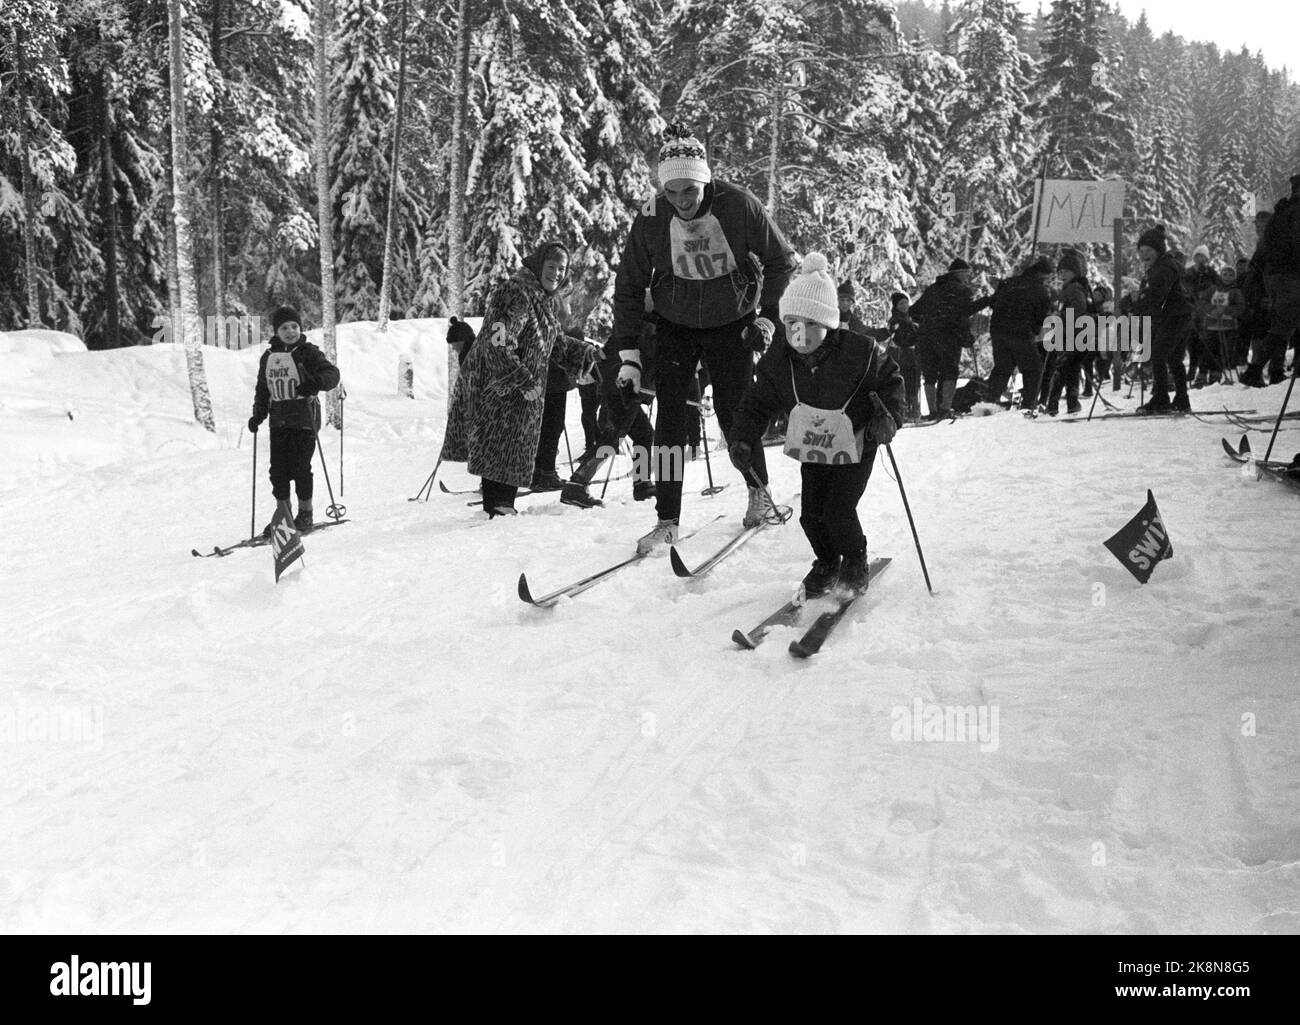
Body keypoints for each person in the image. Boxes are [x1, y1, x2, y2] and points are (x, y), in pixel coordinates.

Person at [611, 124, 796, 555]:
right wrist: (628, 353)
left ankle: (758, 493)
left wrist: (768, 318)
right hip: (675, 324)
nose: (682, 201)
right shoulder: (652, 216)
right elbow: (628, 285)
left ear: (705, 179)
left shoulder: (739, 205)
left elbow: (781, 261)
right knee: (672, 422)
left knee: (737, 415)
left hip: (732, 322)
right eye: (672, 192)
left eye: (690, 190)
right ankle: (667, 519)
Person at [728, 254, 905, 596]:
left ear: (828, 323)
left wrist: (890, 419)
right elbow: (755, 402)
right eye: (792, 322)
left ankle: (854, 559)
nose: (800, 332)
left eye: (810, 323)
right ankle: (826, 561)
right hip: (814, 447)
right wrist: (743, 438)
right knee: (811, 516)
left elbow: (891, 382)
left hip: (856, 443)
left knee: (838, 510)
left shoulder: (860, 351)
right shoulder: (778, 360)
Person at [442, 241, 600, 516]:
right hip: (498, 383)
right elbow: (498, 341)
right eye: (552, 267)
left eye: (562, 269)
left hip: (516, 386)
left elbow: (550, 341)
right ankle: (498, 508)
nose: (557, 274)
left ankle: (502, 508)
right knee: (501, 446)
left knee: (512, 447)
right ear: (538, 265)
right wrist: (521, 379)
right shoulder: (516, 292)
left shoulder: (541, 297)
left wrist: (585, 352)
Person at [247, 306, 341, 535]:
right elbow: (263, 388)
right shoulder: (268, 357)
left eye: (294, 326)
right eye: (284, 327)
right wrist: (258, 415)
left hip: (304, 419)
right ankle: (284, 516)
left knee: (300, 467)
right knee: (278, 471)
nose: (290, 331)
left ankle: (305, 514)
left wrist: (316, 382)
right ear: (276, 331)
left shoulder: (308, 352)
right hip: (279, 420)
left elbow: (332, 374)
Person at [910, 258, 989, 419]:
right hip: (949, 337)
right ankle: (945, 409)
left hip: (926, 337)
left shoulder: (933, 289)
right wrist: (986, 301)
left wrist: (929, 321)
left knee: (930, 374)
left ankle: (932, 411)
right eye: (966, 273)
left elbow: (914, 312)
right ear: (958, 273)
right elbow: (964, 313)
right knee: (949, 372)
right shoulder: (961, 290)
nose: (967, 276)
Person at [1241, 175, 1300, 387]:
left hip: (1273, 277)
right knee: (1284, 324)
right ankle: (1256, 369)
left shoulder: (1279, 214)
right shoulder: (1295, 214)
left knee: (1283, 323)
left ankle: (1256, 369)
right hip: (1292, 276)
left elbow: (1261, 251)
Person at [1133, 224, 1194, 414]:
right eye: (1141, 251)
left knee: (1159, 354)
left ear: (1158, 250)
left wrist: (1134, 305)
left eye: (1149, 250)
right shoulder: (1164, 265)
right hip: (1179, 315)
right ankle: (1182, 399)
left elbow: (1155, 296)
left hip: (1174, 316)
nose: (1144, 255)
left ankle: (1161, 398)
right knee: (1174, 358)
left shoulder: (1163, 268)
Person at [985, 256, 1053, 413]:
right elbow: (1041, 315)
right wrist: (1035, 331)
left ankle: (989, 401)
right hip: (1021, 332)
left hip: (998, 330)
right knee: (1033, 369)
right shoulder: (1040, 290)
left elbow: (994, 303)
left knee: (1002, 367)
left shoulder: (1008, 283)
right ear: (1042, 274)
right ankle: (1028, 406)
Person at [1044, 250, 1092, 415]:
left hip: (1073, 333)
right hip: (1070, 333)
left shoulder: (1074, 289)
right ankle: (1071, 402)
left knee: (1063, 368)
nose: (1062, 275)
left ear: (1075, 272)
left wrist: (1060, 317)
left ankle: (1053, 403)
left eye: (1066, 272)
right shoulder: (1068, 288)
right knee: (1070, 368)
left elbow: (1077, 311)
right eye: (1060, 272)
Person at [1198, 266, 1244, 386]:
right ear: (1220, 276)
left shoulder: (1236, 292)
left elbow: (1240, 308)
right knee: (1207, 351)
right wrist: (1212, 309)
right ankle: (1201, 375)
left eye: (1230, 275)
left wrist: (1225, 310)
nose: (1227, 278)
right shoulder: (1212, 289)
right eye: (1225, 274)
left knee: (1222, 352)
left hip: (1228, 327)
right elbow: (1202, 302)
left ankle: (1216, 375)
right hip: (1211, 326)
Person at [888, 292, 922, 420]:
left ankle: (913, 410)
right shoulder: (895, 320)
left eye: (905, 302)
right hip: (901, 355)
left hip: (911, 355)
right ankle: (905, 410)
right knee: (905, 382)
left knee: (913, 381)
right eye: (901, 303)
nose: (904, 306)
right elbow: (897, 337)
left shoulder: (912, 318)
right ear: (896, 306)